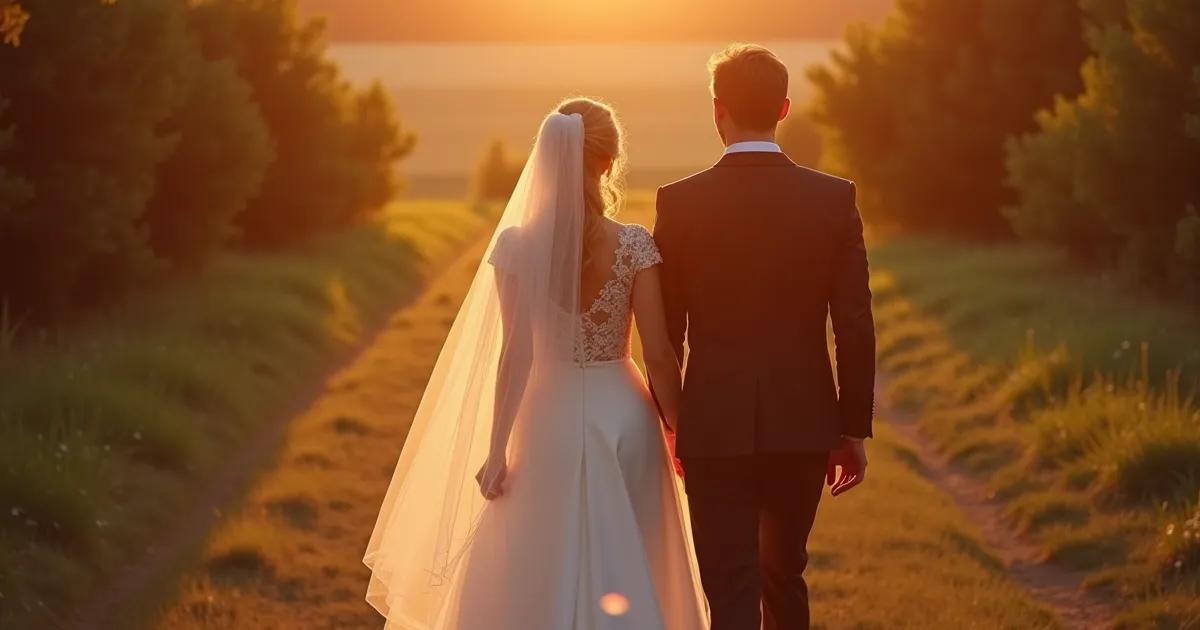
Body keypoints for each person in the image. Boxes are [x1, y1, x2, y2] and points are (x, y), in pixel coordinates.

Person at [364, 98, 709, 629]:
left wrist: (498, 447)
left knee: (544, 557)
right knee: (633, 552)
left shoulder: (516, 246)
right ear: (608, 161)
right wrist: (677, 431)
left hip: (546, 418)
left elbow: (515, 355)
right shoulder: (635, 244)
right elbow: (659, 356)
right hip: (625, 416)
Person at [653, 43, 876, 630]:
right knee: (784, 575)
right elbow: (853, 323)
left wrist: (676, 423)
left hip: (712, 423)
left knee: (728, 584)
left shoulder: (679, 204)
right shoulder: (833, 199)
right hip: (803, 422)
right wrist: (851, 428)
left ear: (716, 110)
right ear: (783, 108)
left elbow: (665, 335)